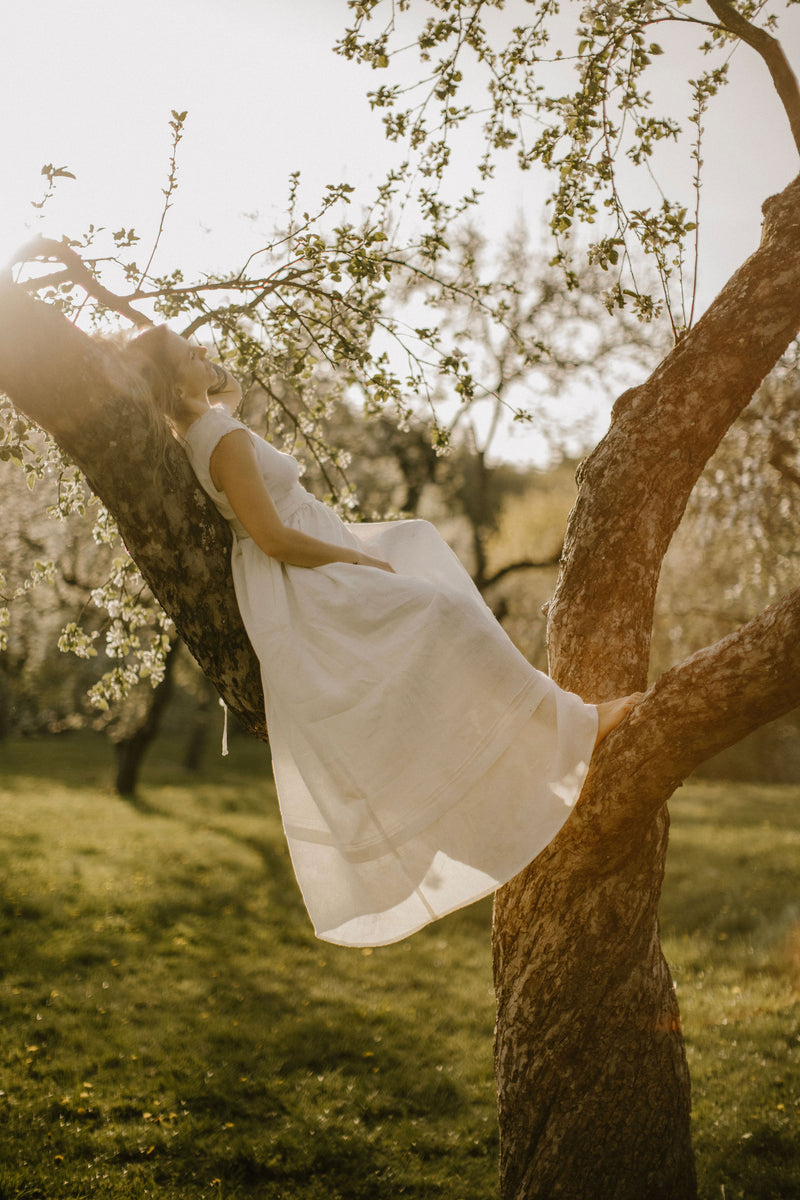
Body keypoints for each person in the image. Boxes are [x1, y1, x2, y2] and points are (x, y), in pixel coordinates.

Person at [130, 325, 643, 947]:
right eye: (190, 356)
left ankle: (523, 744)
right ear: (172, 381)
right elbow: (272, 537)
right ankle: (568, 726)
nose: (204, 356)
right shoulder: (220, 437)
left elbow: (226, 444)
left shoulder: (201, 430)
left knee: (417, 544)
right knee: (441, 618)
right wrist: (354, 562)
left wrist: (223, 394)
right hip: (300, 572)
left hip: (288, 564)